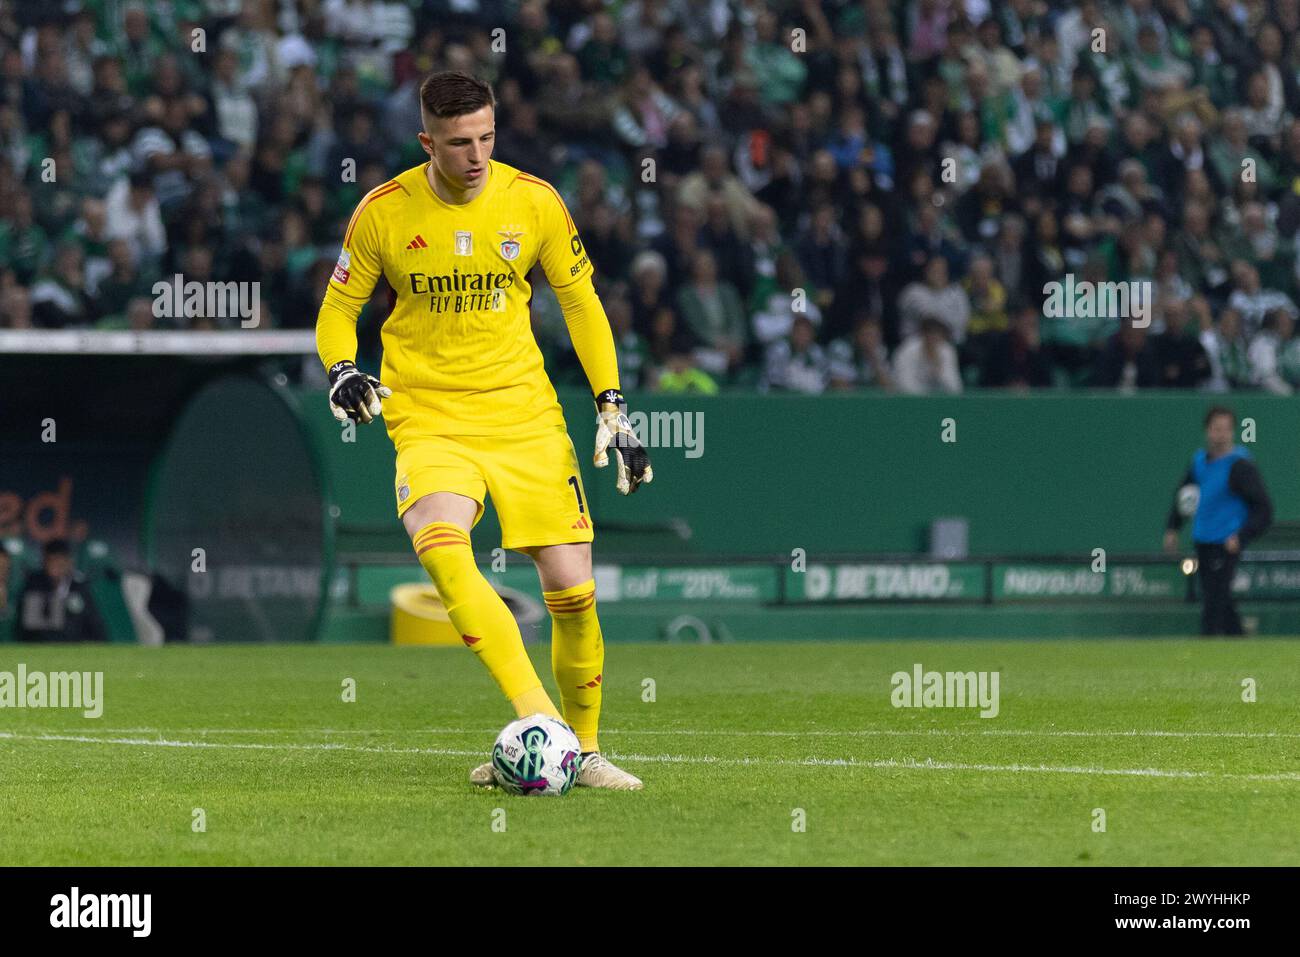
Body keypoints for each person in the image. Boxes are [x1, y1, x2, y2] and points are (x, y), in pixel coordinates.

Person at [315, 72, 651, 790]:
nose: (476, 155)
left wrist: (612, 406)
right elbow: (337, 310)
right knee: (441, 549)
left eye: (487, 137)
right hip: (429, 414)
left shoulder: (532, 202)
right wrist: (343, 367)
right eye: (460, 142)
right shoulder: (381, 212)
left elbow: (582, 303)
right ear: (426, 141)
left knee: (572, 588)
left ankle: (583, 750)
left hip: (523, 413)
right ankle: (542, 723)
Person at [1163, 407, 1273, 636]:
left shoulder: (1240, 465)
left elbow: (1264, 509)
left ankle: (1207, 642)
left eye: (1225, 429)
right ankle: (1239, 637)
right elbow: (1185, 495)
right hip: (1203, 538)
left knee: (1214, 598)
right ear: (1208, 431)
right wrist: (1173, 528)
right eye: (1216, 429)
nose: (1221, 434)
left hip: (1227, 542)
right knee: (1217, 596)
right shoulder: (1199, 462)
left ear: (1232, 432)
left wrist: (1241, 536)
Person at [15, 540, 107, 643]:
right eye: (52, 561)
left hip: (76, 648)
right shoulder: (33, 585)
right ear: (44, 562)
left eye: (60, 560)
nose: (56, 566)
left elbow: (94, 622)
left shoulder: (79, 586)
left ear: (69, 562)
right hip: (41, 647)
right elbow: (30, 625)